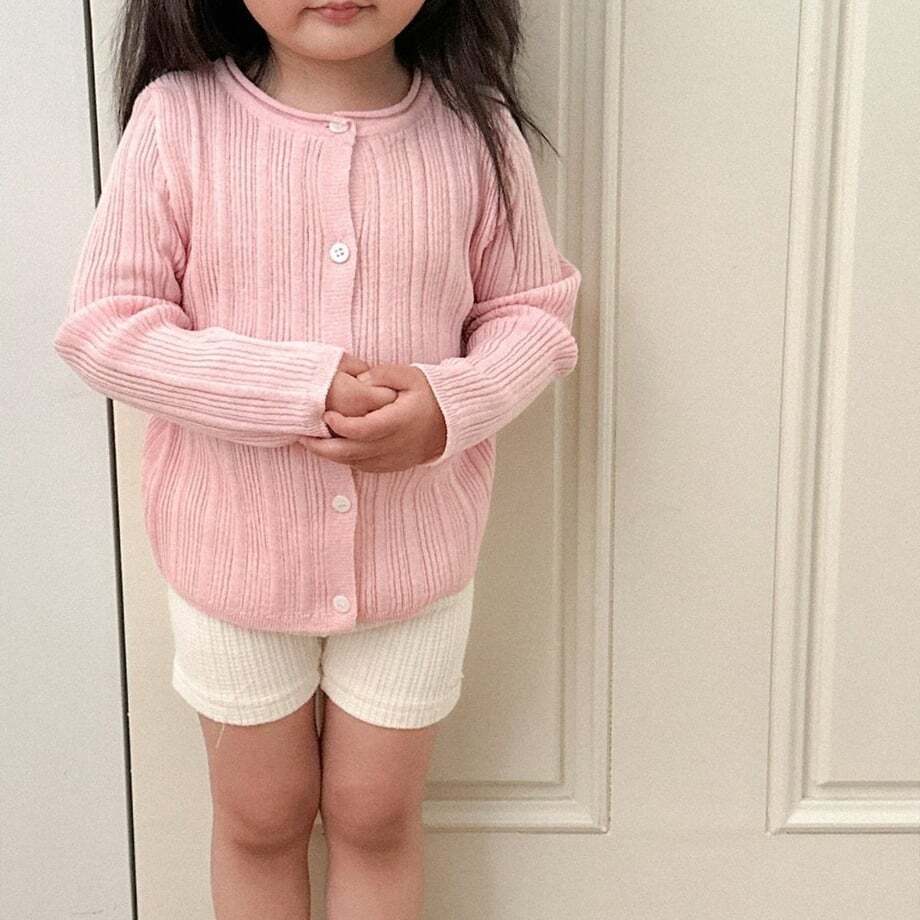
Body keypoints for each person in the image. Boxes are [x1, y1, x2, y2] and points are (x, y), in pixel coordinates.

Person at [52, 0, 582, 917]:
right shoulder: (179, 120)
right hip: (232, 563)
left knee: (376, 816)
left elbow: (532, 310)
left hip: (416, 567)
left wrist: (450, 405)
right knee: (261, 818)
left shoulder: (476, 130)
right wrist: (292, 388)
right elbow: (106, 329)